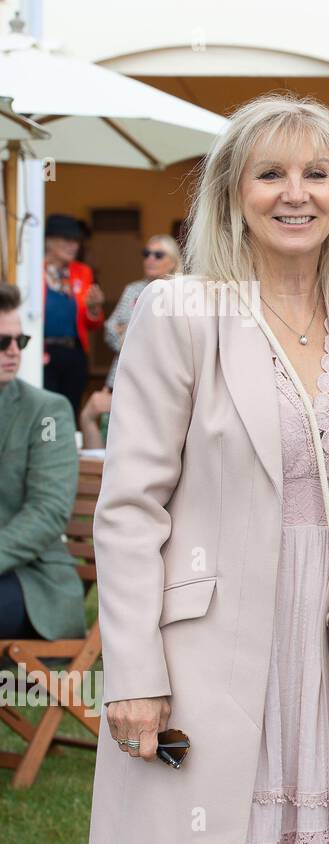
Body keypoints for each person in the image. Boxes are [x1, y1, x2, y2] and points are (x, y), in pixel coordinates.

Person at [88, 93, 329, 844]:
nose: (296, 193)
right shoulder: (180, 310)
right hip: (201, 654)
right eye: (271, 175)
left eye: (317, 174)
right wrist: (133, 672)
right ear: (233, 192)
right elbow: (130, 510)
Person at [0, 283, 85, 642]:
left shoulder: (47, 412)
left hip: (32, 579)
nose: (14, 352)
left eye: (21, 341)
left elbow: (47, 512)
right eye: (2, 342)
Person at [42, 215, 104, 414]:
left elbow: (90, 323)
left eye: (76, 241)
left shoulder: (82, 272)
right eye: (67, 240)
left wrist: (94, 308)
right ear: (48, 241)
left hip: (74, 353)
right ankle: (46, 445)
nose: (73, 246)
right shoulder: (33, 270)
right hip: (42, 352)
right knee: (45, 409)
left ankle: (67, 445)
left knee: (70, 409)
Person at [104, 234, 182, 390]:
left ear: (173, 262)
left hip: (160, 378)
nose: (150, 259)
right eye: (146, 254)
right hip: (122, 375)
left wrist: (128, 332)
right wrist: (133, 338)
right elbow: (109, 327)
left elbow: (171, 336)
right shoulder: (133, 289)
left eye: (158, 255)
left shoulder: (180, 292)